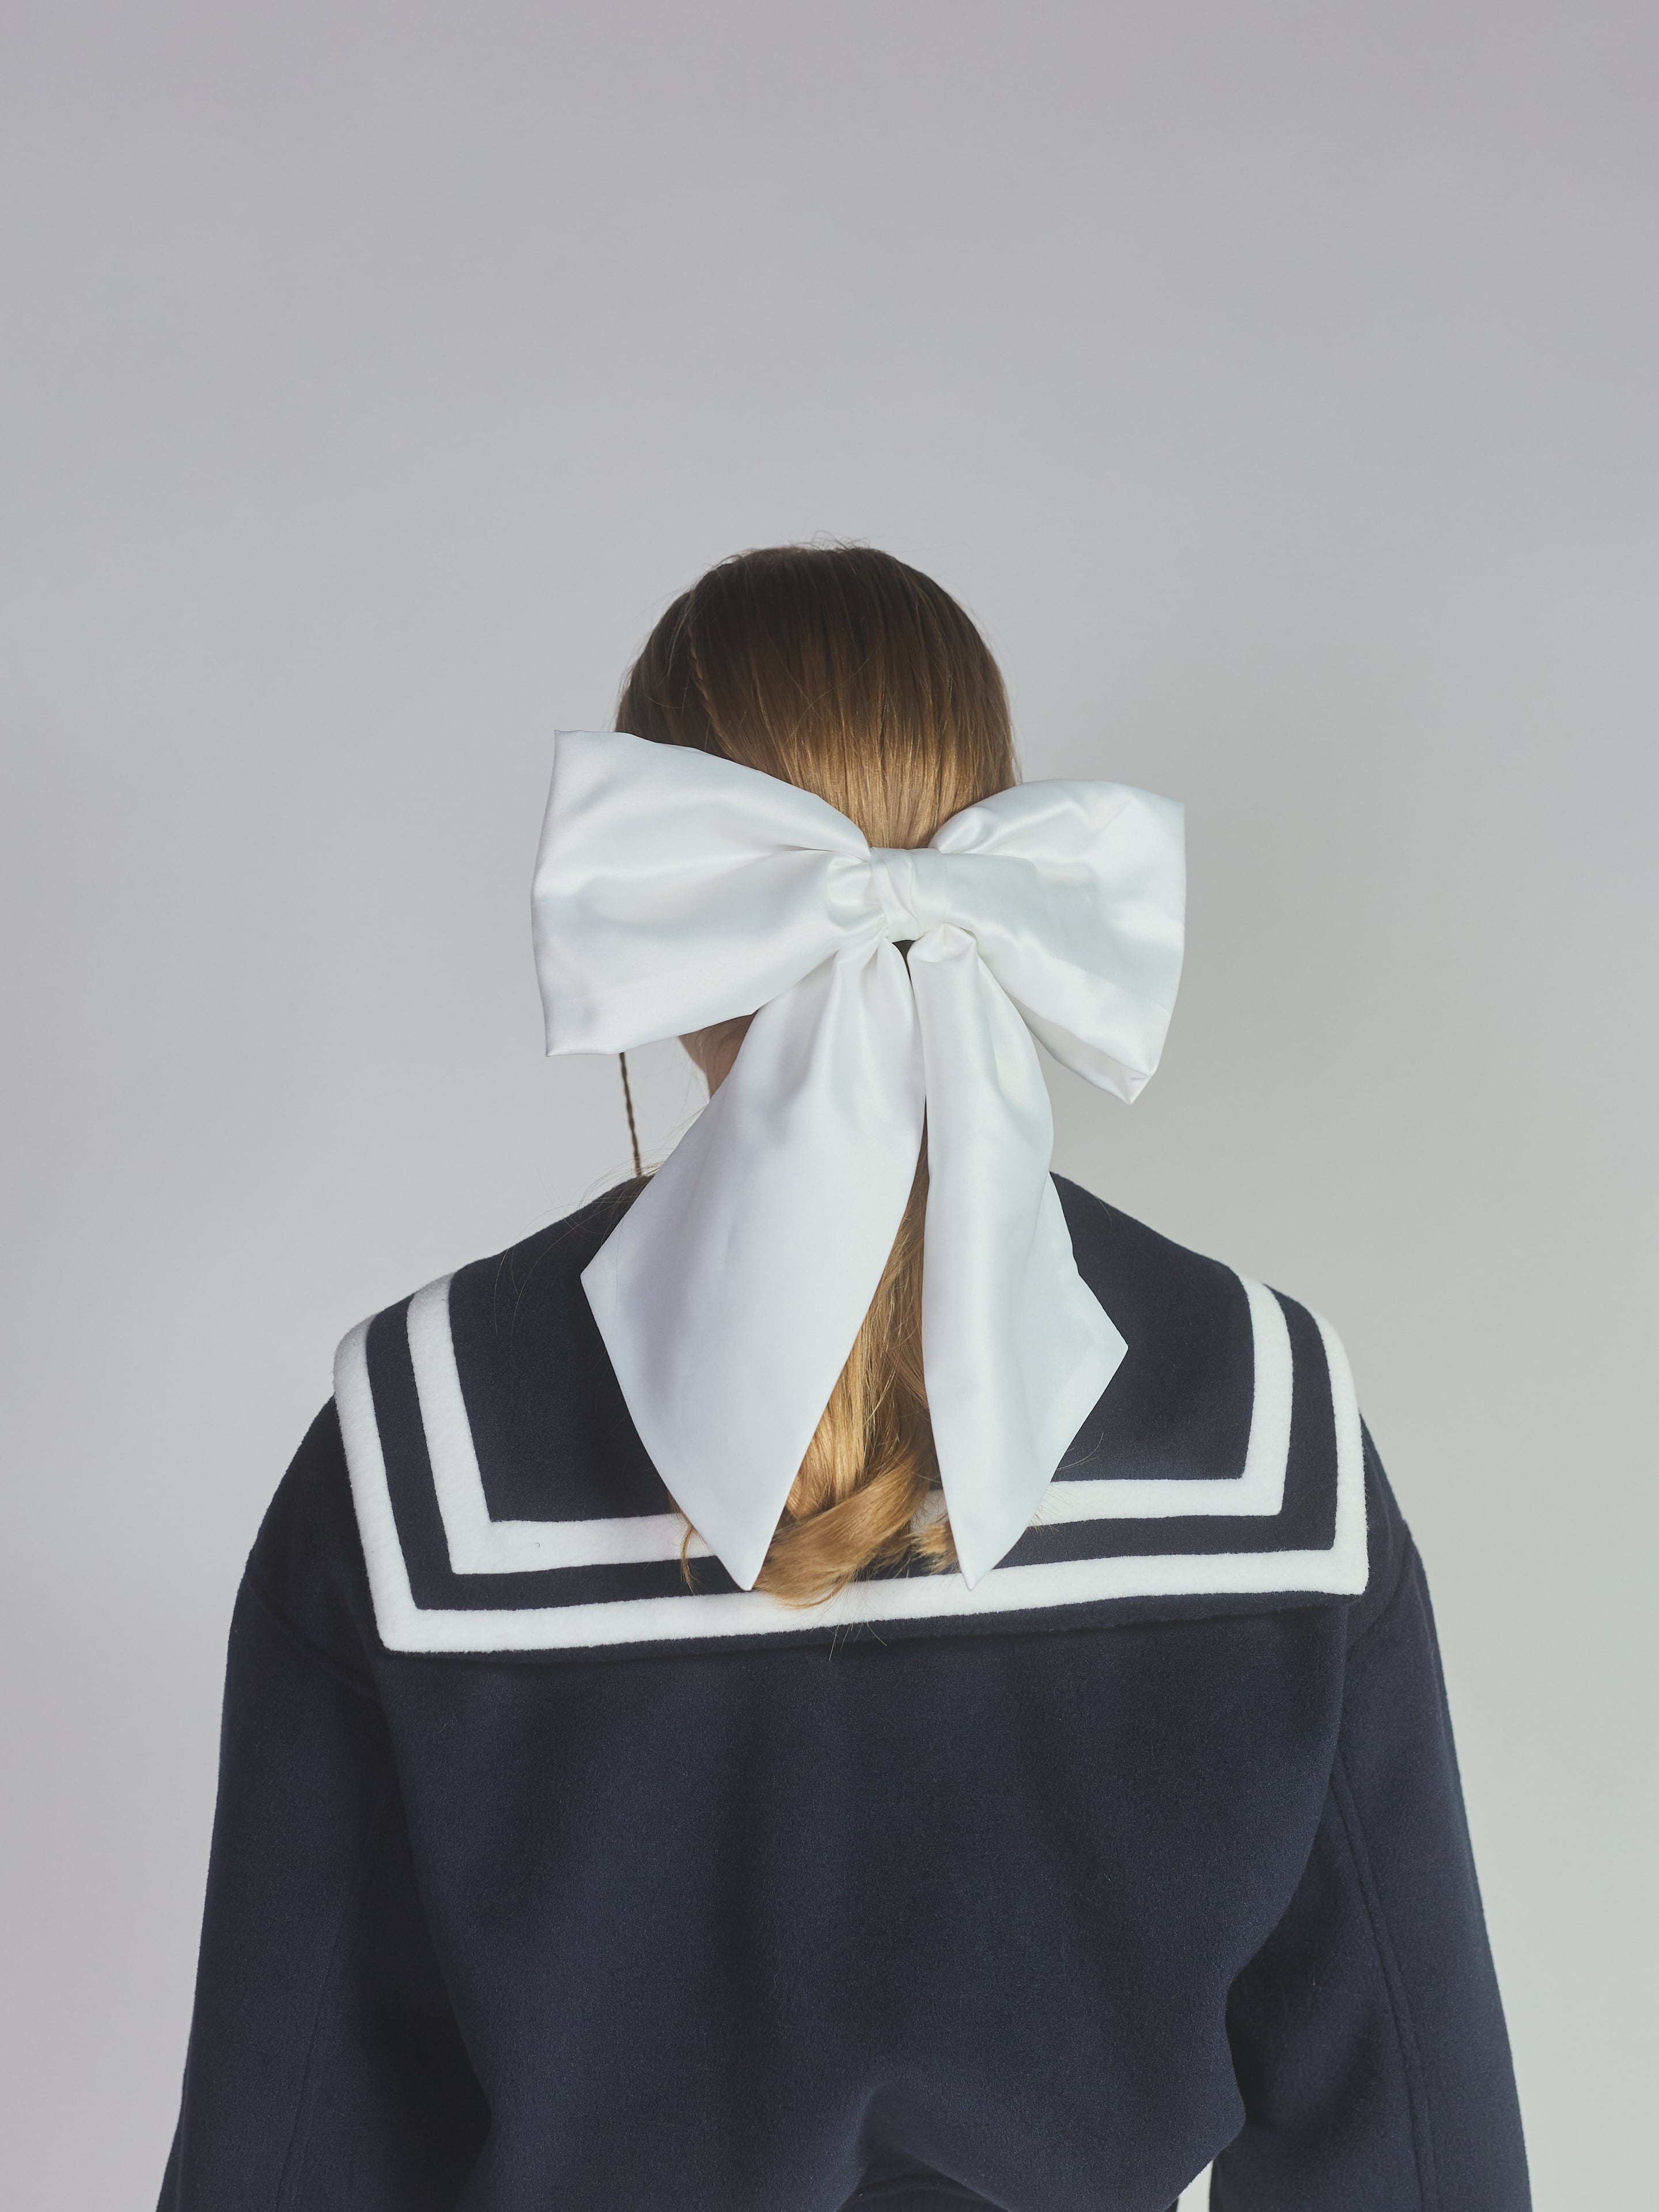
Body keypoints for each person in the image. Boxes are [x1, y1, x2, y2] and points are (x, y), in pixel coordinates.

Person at [158, 546, 1530, 2211]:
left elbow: (286, 2152)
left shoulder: (416, 1437)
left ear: (669, 923)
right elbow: (1423, 2153)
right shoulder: (1268, 1416)